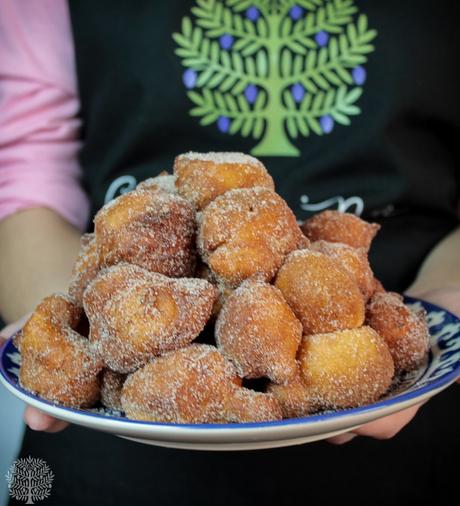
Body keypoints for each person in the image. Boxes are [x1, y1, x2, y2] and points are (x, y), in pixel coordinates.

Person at [1, 1, 459, 504]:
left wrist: (450, 296)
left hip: (414, 430)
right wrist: (68, 311)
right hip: (102, 461)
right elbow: (22, 161)